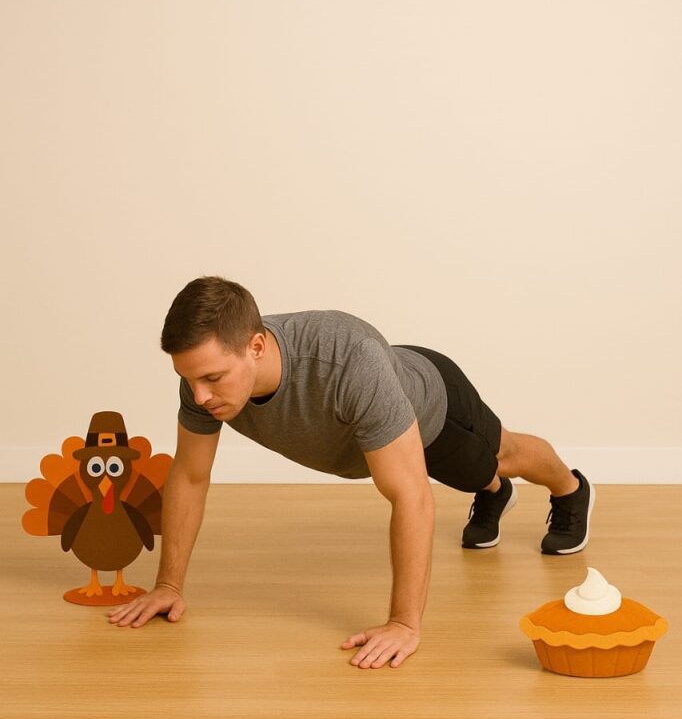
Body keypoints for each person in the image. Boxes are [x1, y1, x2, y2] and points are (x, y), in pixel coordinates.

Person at [107, 276, 596, 670]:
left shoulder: (348, 363)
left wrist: (404, 624)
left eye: (212, 378)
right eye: (187, 379)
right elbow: (191, 475)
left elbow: (410, 495)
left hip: (433, 408)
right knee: (479, 476)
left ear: (256, 347)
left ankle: (570, 489)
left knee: (499, 455)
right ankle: (493, 493)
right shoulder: (204, 386)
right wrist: (168, 587)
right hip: (383, 390)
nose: (200, 396)